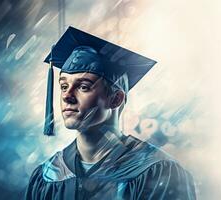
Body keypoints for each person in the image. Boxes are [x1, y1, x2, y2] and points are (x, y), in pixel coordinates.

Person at [25, 26, 196, 200]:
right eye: (63, 86)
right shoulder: (47, 176)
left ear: (116, 99)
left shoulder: (158, 171)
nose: (67, 96)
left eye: (83, 87)